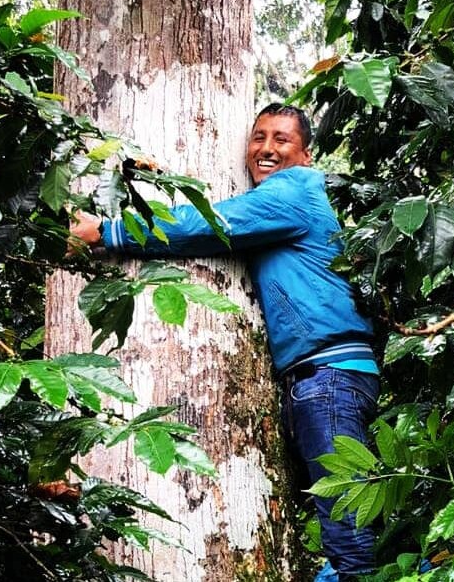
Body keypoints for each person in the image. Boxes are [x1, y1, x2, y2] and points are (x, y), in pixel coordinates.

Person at [70, 104, 380, 581]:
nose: (267, 148)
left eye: (281, 139)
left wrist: (108, 231)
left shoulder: (294, 190)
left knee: (346, 514)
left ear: (307, 155)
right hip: (319, 374)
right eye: (258, 138)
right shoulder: (280, 204)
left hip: (329, 373)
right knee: (335, 510)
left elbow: (207, 224)